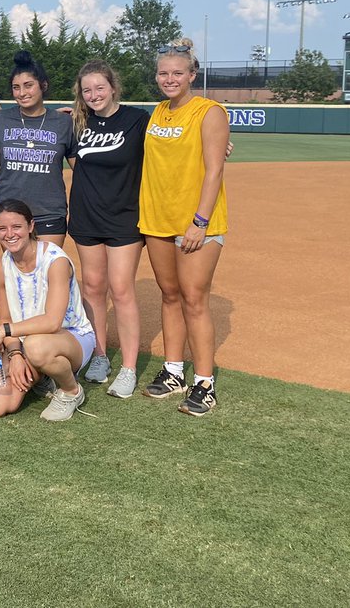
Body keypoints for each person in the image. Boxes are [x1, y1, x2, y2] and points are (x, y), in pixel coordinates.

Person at [138, 39, 229, 416]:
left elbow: (215, 169)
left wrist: (200, 222)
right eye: (163, 73)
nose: (170, 78)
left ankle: (204, 382)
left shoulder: (209, 111)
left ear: (192, 75)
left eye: (178, 72)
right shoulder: (158, 112)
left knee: (194, 298)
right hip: (157, 219)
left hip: (195, 224)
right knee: (170, 295)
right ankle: (174, 371)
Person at [67, 59, 148, 397]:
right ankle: (100, 355)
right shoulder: (77, 121)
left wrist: (218, 146)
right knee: (94, 287)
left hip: (124, 215)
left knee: (121, 288)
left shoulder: (137, 120)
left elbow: (174, 146)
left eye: (100, 88)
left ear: (113, 86)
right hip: (87, 215)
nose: (94, 94)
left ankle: (128, 368)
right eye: (87, 90)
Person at [0, 199, 97, 422]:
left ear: (31, 226)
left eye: (17, 227)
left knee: (36, 346)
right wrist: (14, 355)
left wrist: (4, 331)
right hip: (23, 342)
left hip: (69, 337)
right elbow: (5, 317)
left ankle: (71, 391)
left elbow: (52, 322)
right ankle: (41, 375)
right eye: (2, 229)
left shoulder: (55, 261)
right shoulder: (0, 267)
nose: (9, 234)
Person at [0, 50, 75, 245]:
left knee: (48, 271)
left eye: (28, 85)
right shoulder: (0, 120)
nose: (22, 93)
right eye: (16, 87)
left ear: (43, 85)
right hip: (8, 212)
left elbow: (82, 168)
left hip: (49, 211)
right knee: (15, 272)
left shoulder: (63, 122)